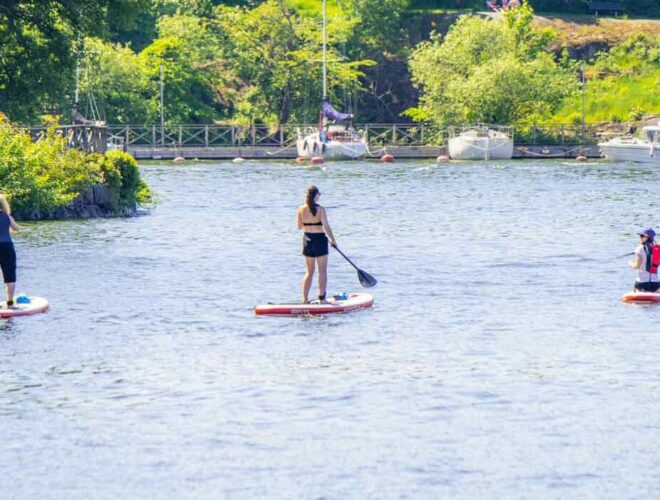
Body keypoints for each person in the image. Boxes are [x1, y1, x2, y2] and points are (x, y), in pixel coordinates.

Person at [297, 185, 337, 303]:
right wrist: (333, 240)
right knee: (322, 271)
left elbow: (299, 227)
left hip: (307, 239)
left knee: (309, 272)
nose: (319, 196)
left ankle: (304, 300)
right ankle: (322, 299)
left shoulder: (300, 209)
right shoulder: (321, 209)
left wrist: (310, 224)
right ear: (316, 196)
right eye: (319, 194)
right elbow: (326, 226)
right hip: (320, 240)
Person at [0, 194, 19, 308]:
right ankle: (10, 304)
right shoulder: (7, 216)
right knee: (9, 275)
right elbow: (16, 228)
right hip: (7, 247)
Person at [629, 227, 660, 292]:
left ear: (647, 237)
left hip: (642, 283)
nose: (640, 238)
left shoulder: (640, 248)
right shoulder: (658, 249)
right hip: (656, 284)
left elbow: (637, 266)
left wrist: (630, 264)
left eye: (641, 236)